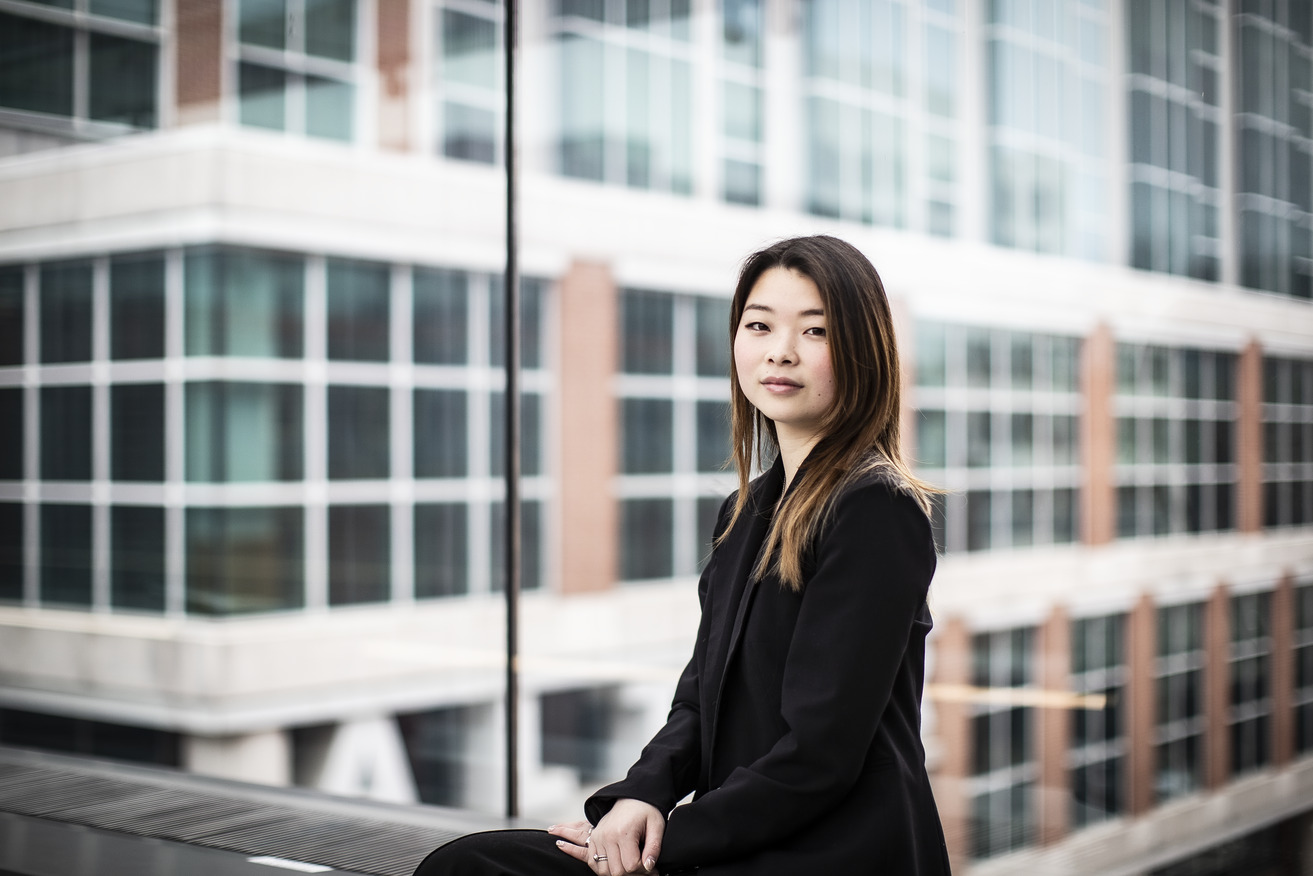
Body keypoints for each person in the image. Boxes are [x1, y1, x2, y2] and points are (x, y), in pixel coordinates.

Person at [413, 235, 950, 875]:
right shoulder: (747, 511)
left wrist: (665, 842)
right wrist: (644, 793)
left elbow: (820, 754)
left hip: (828, 851)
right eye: (759, 325)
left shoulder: (875, 509)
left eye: (816, 331)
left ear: (863, 352)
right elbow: (699, 696)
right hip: (738, 837)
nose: (780, 350)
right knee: (471, 864)